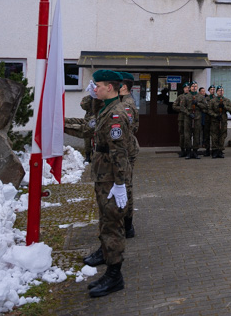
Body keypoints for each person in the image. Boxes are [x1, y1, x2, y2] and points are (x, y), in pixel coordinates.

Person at [82, 69, 130, 298]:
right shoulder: (105, 109)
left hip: (111, 178)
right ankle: (107, 257)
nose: (95, 89)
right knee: (105, 219)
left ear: (109, 87)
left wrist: (120, 184)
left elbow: (119, 152)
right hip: (103, 175)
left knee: (113, 224)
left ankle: (114, 275)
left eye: (98, 85)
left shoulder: (116, 115)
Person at [117, 72, 139, 238]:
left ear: (123, 87)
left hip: (125, 150)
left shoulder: (126, 104)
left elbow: (127, 130)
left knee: (126, 187)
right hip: (125, 149)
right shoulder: (122, 101)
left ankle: (128, 224)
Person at [208, 85, 231, 158]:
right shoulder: (213, 100)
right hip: (215, 120)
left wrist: (224, 106)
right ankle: (215, 150)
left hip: (223, 120)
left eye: (222, 91)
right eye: (219, 91)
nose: (220, 92)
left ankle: (220, 150)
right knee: (214, 135)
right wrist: (215, 115)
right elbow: (209, 110)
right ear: (216, 92)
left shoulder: (227, 100)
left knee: (222, 135)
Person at [173, 82, 190, 158]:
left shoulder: (192, 96)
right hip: (182, 118)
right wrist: (182, 108)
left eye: (188, 88)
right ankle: (182, 150)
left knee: (189, 135)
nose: (187, 89)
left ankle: (189, 149)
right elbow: (174, 106)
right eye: (185, 88)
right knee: (182, 134)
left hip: (190, 118)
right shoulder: (180, 97)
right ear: (183, 89)